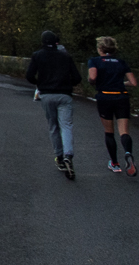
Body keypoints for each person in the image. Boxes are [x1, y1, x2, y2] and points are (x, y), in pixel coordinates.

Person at [26, 30, 82, 179]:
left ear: (42, 41)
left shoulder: (38, 55)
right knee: (66, 125)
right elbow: (77, 77)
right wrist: (67, 84)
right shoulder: (65, 56)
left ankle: (59, 156)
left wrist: (40, 84)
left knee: (53, 126)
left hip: (47, 95)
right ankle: (68, 155)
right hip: (64, 94)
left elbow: (29, 76)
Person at [88, 36, 138, 176]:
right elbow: (133, 82)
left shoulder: (95, 61)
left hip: (105, 96)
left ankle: (115, 163)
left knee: (109, 132)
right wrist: (121, 84)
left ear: (100, 48)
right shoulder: (121, 62)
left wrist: (93, 81)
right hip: (121, 97)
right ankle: (128, 153)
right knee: (124, 131)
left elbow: (92, 77)